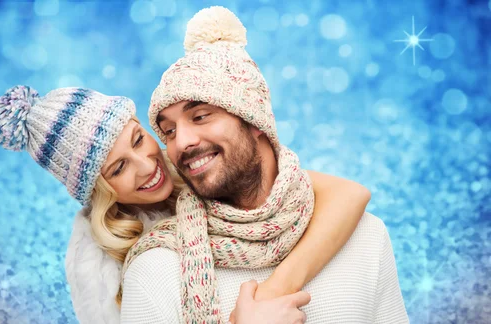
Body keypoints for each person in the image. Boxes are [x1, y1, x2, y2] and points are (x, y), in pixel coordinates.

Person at [119, 6, 409, 324]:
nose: (181, 142)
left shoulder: (365, 236)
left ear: (254, 120)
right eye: (169, 131)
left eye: (200, 116)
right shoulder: (156, 267)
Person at [0, 85, 369, 324]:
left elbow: (349, 194)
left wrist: (275, 290)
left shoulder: (196, 164)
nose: (147, 166)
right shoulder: (101, 264)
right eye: (118, 168)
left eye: (138, 140)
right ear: (98, 191)